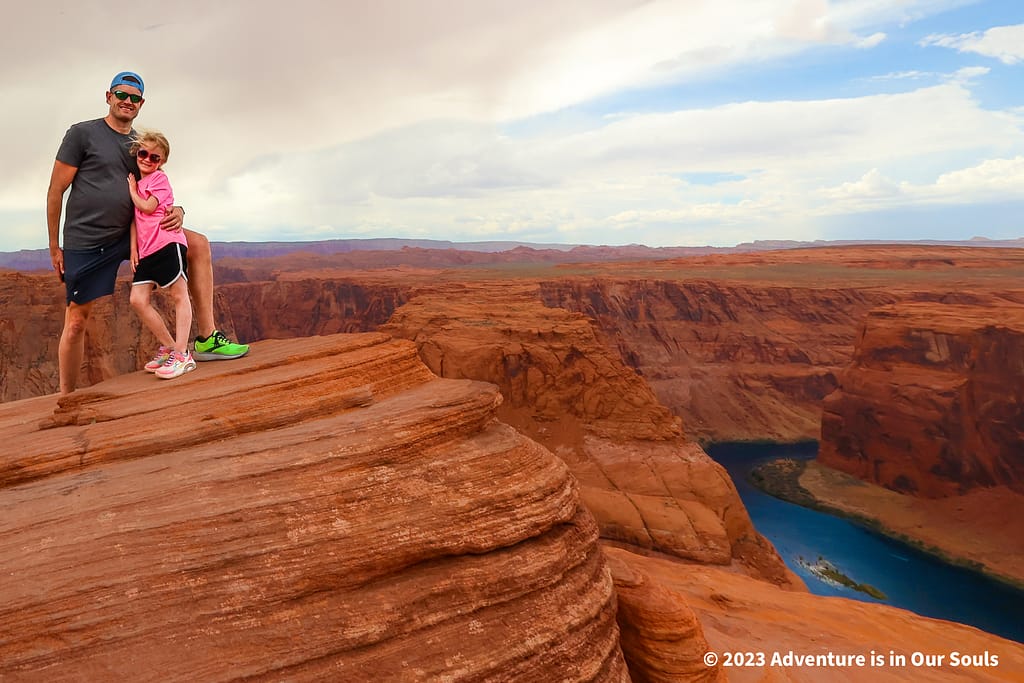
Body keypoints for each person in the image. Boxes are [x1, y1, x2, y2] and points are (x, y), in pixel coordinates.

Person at [46, 71, 248, 394]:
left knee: (198, 243)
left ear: (141, 103)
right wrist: (55, 247)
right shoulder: (82, 135)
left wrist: (179, 211)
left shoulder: (142, 145)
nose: (127, 101)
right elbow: (55, 190)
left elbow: (158, 186)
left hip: (138, 234)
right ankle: (65, 396)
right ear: (108, 96)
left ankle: (207, 338)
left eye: (134, 97)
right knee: (76, 322)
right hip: (88, 241)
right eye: (121, 95)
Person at [127, 129, 195, 379]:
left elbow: (147, 206)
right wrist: (134, 249)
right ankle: (169, 347)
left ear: (162, 161)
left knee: (179, 295)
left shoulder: (158, 181)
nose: (147, 159)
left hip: (168, 244)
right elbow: (134, 220)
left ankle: (182, 355)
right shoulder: (141, 180)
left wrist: (133, 191)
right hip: (147, 252)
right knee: (137, 300)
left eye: (154, 157)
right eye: (143, 153)